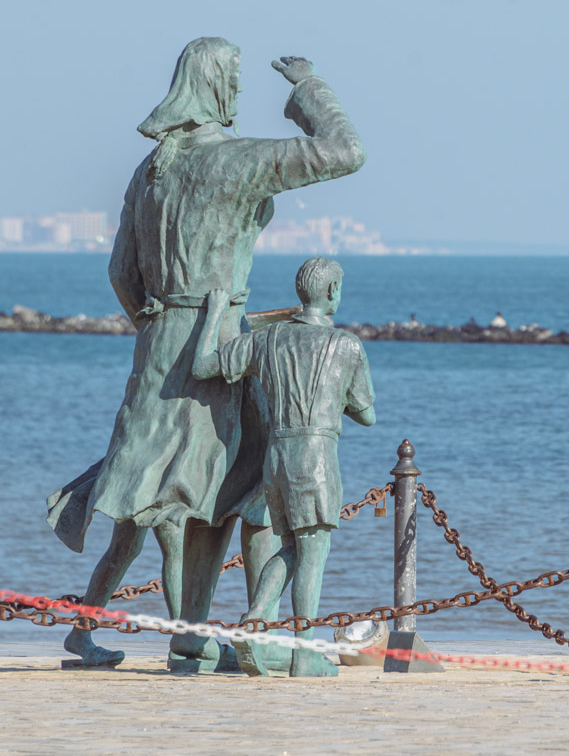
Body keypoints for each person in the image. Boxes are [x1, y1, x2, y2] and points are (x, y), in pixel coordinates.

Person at [53, 38, 365, 669]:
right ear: (216, 86)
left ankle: (176, 631)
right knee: (242, 484)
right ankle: (250, 636)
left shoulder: (152, 169)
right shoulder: (233, 162)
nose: (242, 91)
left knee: (167, 490)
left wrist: (156, 319)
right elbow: (345, 152)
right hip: (216, 339)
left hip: (158, 344)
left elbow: (121, 272)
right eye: (236, 79)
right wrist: (308, 88)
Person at [193, 257, 376, 677]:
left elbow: (203, 366)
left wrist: (215, 315)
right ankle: (303, 654)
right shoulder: (347, 346)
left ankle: (254, 621)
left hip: (276, 456)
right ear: (331, 293)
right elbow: (367, 414)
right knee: (313, 552)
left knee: (290, 548)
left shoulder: (268, 338)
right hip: (315, 457)